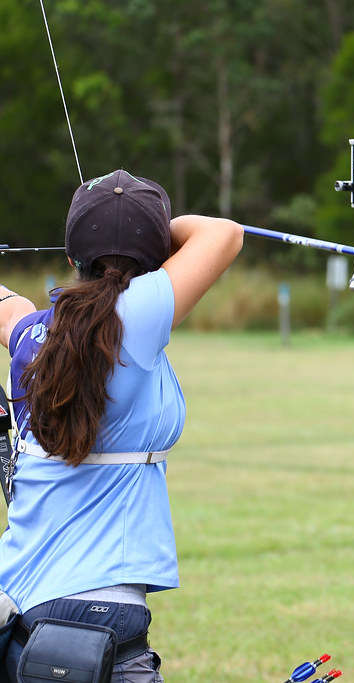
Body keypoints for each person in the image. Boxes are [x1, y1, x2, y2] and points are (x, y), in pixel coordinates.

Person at [0, 169, 244, 681]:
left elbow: (11, 310)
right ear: (155, 263)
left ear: (72, 260)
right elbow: (223, 234)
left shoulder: (32, 337)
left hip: (20, 611)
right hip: (99, 617)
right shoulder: (136, 313)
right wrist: (156, 230)